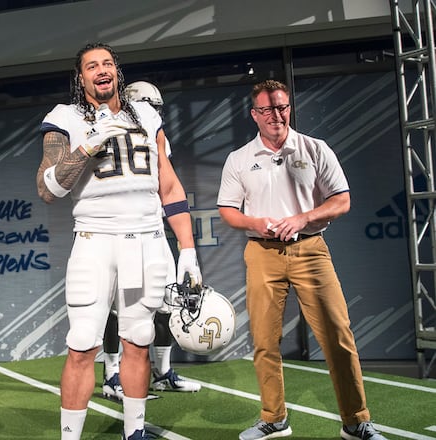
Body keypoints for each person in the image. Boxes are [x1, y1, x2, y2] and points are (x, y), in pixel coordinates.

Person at [36, 42, 200, 440]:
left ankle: (135, 431)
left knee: (139, 339)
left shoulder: (145, 114)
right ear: (81, 77)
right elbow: (47, 188)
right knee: (81, 344)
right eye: (92, 66)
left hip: (145, 239)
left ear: (117, 70)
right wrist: (87, 145)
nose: (101, 70)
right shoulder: (66, 118)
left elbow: (169, 183)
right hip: (95, 239)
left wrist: (188, 249)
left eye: (107, 63)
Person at [217, 79, 387, 440]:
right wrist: (257, 222)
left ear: (289, 108)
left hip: (311, 250)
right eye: (266, 109)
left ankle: (356, 421)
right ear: (254, 114)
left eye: (281, 107)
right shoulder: (240, 159)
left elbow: (341, 200)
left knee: (338, 335)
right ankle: (274, 419)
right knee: (265, 341)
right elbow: (228, 211)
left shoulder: (314, 148)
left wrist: (303, 218)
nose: (275, 115)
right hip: (262, 253)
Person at [101, 81, 202, 402]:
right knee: (118, 310)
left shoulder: (156, 136)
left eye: (157, 108)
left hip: (154, 231)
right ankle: (111, 376)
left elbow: (168, 186)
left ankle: (162, 373)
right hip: (120, 233)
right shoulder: (107, 133)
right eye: (149, 106)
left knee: (165, 303)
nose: (154, 114)